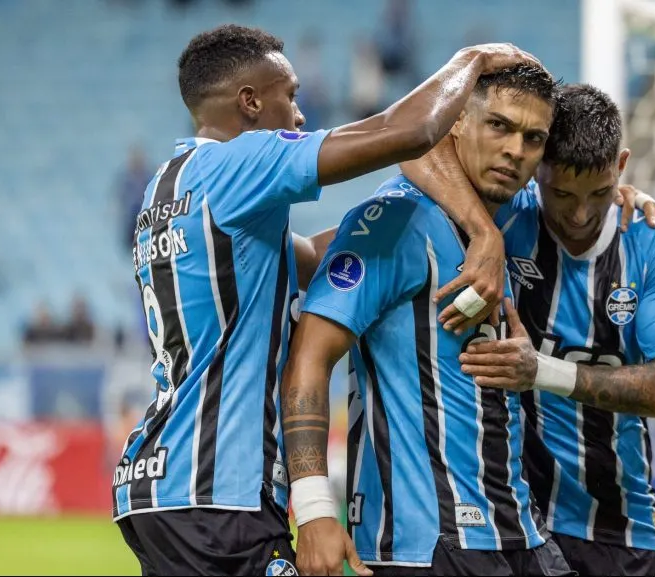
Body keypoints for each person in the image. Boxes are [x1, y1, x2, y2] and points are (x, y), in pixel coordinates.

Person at [112, 23, 538, 576]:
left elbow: (313, 256)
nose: (298, 114)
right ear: (249, 102)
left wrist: (401, 221)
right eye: (288, 97)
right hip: (218, 489)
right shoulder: (238, 163)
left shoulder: (168, 188)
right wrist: (477, 58)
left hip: (156, 484)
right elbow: (407, 131)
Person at [282, 64, 574, 577]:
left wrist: (623, 199)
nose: (515, 150)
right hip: (425, 544)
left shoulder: (519, 218)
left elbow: (580, 196)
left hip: (520, 533)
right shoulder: (391, 222)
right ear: (457, 122)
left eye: (534, 138)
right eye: (499, 126)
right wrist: (312, 509)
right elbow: (310, 356)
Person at [420, 84, 655, 576]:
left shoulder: (654, 244)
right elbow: (418, 146)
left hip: (619, 524)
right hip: (517, 519)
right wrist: (484, 232)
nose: (578, 214)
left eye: (598, 193)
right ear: (537, 170)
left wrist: (541, 371)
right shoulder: (511, 214)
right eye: (562, 193)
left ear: (621, 166)